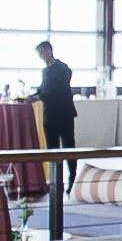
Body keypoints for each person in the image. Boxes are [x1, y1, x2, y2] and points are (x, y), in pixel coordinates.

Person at [27, 40, 77, 187]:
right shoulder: (45, 71)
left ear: (49, 50)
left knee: (68, 147)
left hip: (64, 113)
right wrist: (32, 96)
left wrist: (38, 97)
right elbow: (43, 89)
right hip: (49, 114)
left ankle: (72, 179)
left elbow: (56, 90)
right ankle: (56, 181)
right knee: (52, 148)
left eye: (42, 53)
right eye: (39, 54)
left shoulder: (63, 68)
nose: (41, 56)